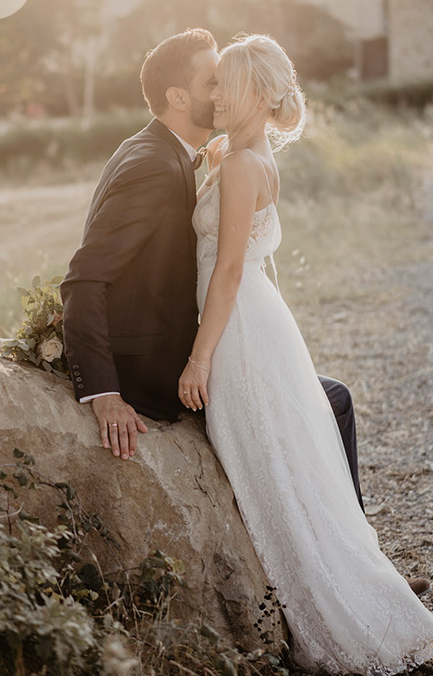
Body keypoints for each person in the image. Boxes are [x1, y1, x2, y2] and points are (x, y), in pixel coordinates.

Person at [179, 32, 433, 671]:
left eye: (226, 85)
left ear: (259, 96)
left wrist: (199, 358)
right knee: (286, 462)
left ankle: (337, 613)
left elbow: (231, 269)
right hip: (257, 324)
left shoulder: (241, 165)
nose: (214, 94)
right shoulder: (243, 155)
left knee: (272, 469)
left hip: (236, 329)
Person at [59, 28, 362, 506]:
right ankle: (351, 548)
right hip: (157, 364)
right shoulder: (153, 164)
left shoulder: (172, 152)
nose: (221, 91)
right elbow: (84, 277)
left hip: (200, 332)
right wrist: (104, 393)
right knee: (332, 402)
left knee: (329, 397)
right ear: (178, 96)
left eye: (227, 81)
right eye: (213, 82)